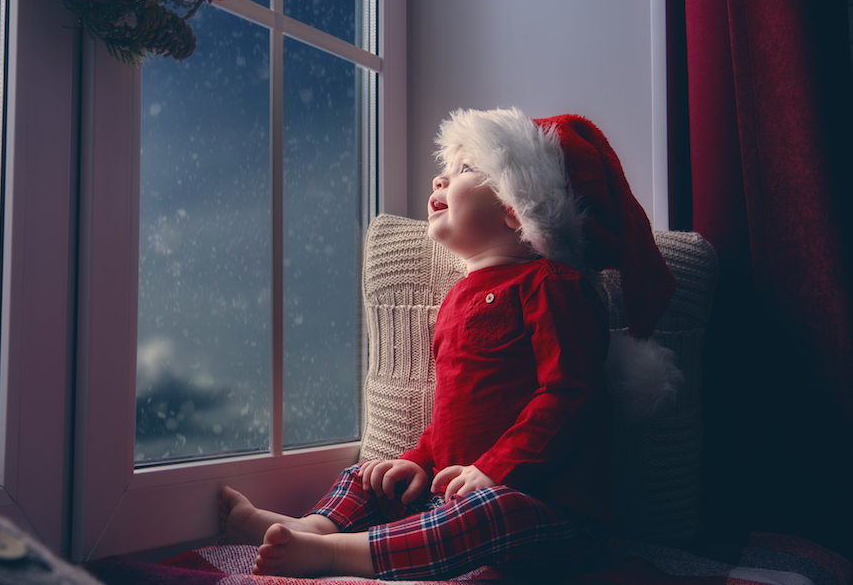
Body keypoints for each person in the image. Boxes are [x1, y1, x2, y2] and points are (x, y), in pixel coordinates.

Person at [219, 108, 677, 579]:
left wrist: (496, 470)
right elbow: (448, 415)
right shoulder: (457, 298)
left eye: (465, 169)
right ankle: (313, 527)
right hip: (454, 496)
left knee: (490, 512)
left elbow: (570, 394)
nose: (440, 178)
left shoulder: (551, 283)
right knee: (373, 474)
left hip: (550, 513)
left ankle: (338, 554)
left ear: (515, 205)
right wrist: (418, 461)